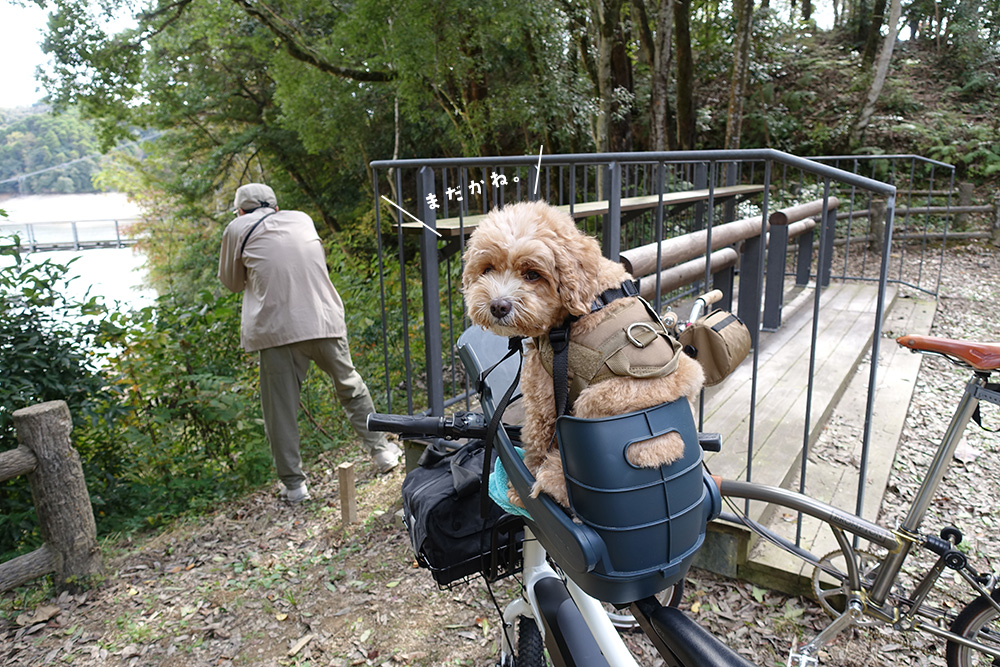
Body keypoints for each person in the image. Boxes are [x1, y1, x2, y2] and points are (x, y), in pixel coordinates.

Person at [218, 183, 400, 503]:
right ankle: (383, 453)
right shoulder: (301, 218)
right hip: (323, 318)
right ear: (274, 207)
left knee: (281, 409)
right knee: (350, 387)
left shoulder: (237, 228)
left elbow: (232, 283)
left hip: (277, 330)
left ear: (241, 210)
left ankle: (295, 486)